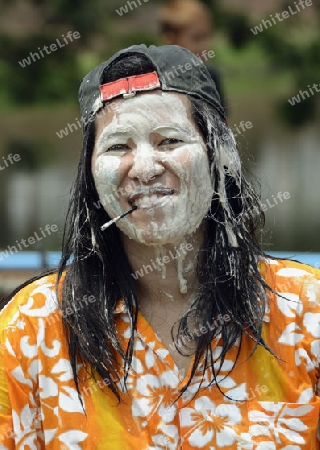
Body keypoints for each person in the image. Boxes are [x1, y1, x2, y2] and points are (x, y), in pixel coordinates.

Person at [0, 44, 319, 449]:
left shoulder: (306, 312)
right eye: (118, 146)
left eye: (169, 140)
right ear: (92, 175)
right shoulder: (32, 327)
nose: (145, 167)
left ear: (217, 155)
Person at [158, 0, 226, 110]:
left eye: (207, 37)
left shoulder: (211, 79)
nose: (205, 46)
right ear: (171, 40)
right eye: (197, 38)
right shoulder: (157, 82)